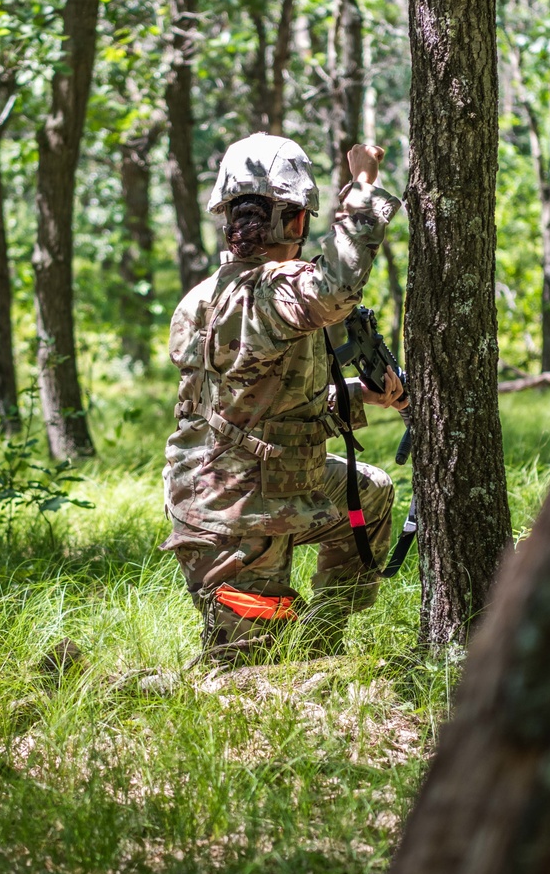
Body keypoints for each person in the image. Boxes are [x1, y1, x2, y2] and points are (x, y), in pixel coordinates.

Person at [161, 132, 407, 665]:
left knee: (370, 493)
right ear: (297, 221)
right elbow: (335, 286)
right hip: (236, 516)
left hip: (259, 483)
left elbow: (260, 405)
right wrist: (363, 186)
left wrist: (365, 395)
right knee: (247, 674)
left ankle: (322, 648)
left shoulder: (204, 297)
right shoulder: (269, 292)